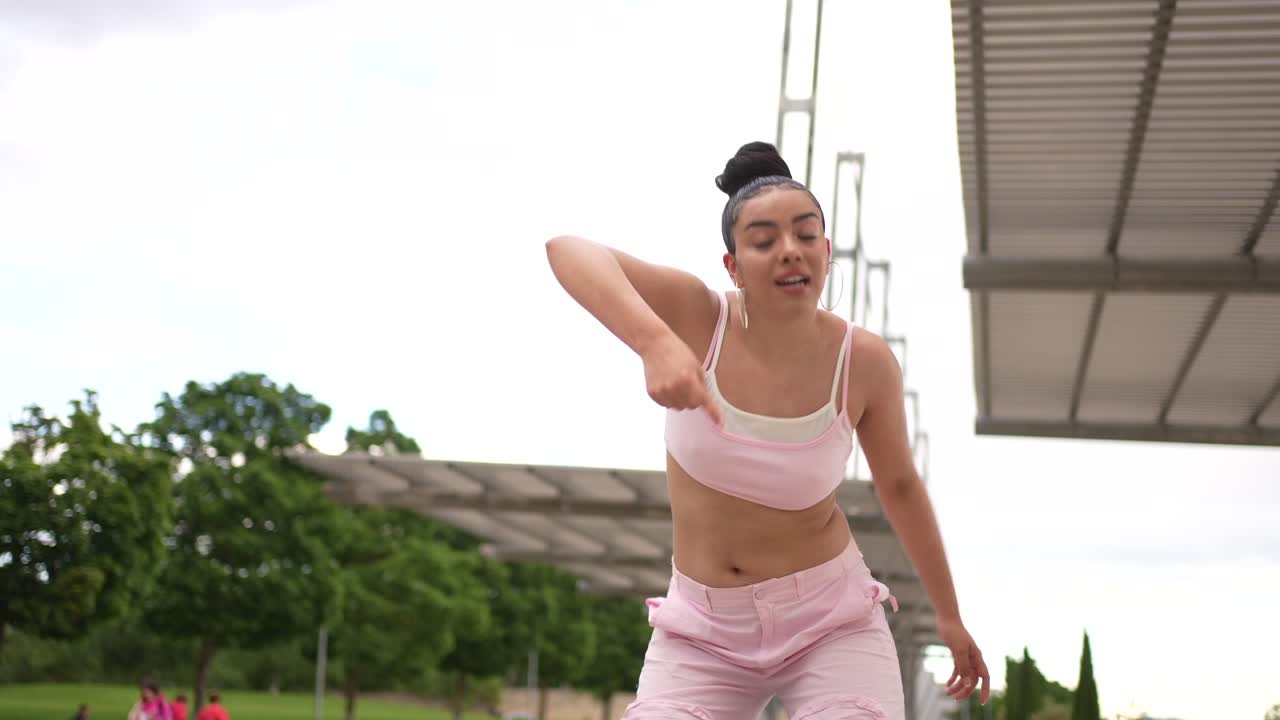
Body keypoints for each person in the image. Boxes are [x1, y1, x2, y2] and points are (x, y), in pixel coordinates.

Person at [545, 141, 989, 720]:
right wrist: (654, 344)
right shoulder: (699, 318)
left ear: (827, 253)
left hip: (830, 624)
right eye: (763, 241)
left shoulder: (865, 362)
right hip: (701, 630)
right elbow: (568, 249)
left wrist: (950, 617)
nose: (790, 252)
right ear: (733, 265)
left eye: (806, 236)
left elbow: (901, 487)